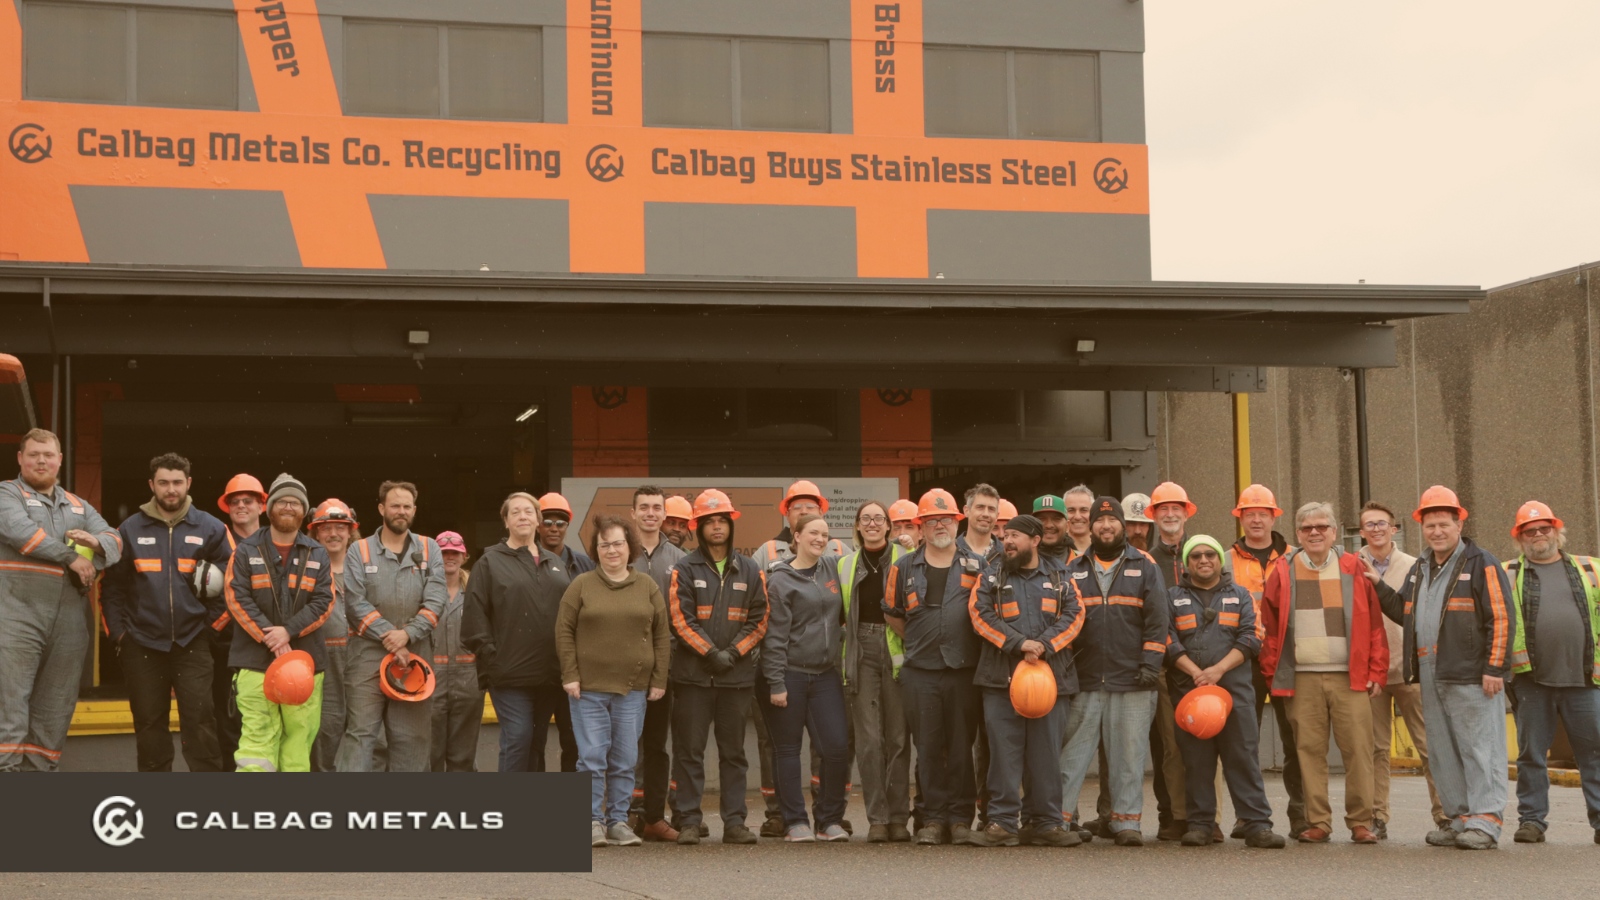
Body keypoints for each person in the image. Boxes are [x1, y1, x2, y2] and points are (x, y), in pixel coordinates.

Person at [1365, 486, 1515, 850]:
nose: (1436, 531)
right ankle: (1459, 818)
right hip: (1431, 671)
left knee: (1480, 748)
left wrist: (1495, 668)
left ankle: (1487, 821)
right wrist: (1376, 583)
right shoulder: (1421, 567)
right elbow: (1404, 609)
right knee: (1444, 749)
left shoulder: (1482, 563)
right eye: (1430, 525)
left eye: (1443, 524)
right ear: (1422, 526)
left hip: (1471, 673)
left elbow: (1502, 617)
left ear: (1458, 523)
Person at [1260, 501, 1387, 845]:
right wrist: (1274, 674)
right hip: (1301, 676)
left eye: (1321, 527)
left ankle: (1361, 822)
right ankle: (1318, 822)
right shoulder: (1283, 571)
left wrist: (1377, 670)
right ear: (1298, 533)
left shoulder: (1352, 567)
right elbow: (1271, 629)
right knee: (1308, 752)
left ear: (1334, 531)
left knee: (1359, 750)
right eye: (1306, 528)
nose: (1314, 533)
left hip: (1350, 676)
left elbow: (1375, 623)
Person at [0, 428, 120, 771]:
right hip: (15, 616)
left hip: (68, 619)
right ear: (20, 459)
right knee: (9, 705)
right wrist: (72, 557)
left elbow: (114, 539)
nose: (41, 460)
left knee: (55, 708)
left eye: (48, 455)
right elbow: (21, 532)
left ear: (60, 460)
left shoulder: (79, 505)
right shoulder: (8, 495)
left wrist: (96, 545)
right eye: (34, 454)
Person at [102, 452, 231, 772]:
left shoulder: (211, 528)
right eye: (163, 483)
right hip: (142, 644)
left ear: (188, 483)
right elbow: (112, 588)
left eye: (177, 482)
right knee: (148, 724)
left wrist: (210, 630)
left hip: (193, 642)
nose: (170, 489)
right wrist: (121, 635)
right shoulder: (129, 529)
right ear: (152, 485)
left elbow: (232, 584)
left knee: (201, 721)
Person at [966, 514, 1083, 847]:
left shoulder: (1062, 576)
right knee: (1003, 753)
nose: (1008, 541)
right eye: (1005, 536)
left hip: (1051, 680)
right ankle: (1002, 823)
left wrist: (1044, 645)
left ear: (1035, 540)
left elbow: (1075, 616)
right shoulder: (990, 576)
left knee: (1045, 754)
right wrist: (1019, 644)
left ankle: (1045, 822)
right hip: (1000, 681)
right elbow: (979, 614)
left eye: (1015, 535)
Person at [1164, 535, 1287, 849]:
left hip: (1235, 693)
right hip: (1190, 692)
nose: (1203, 560)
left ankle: (1257, 825)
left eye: (1210, 555)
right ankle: (1201, 825)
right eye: (1196, 556)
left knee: (1242, 757)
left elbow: (1252, 636)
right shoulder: (1172, 597)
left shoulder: (1241, 595)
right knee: (1197, 761)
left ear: (1220, 560)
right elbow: (1166, 639)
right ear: (1186, 564)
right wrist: (1196, 673)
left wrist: (1217, 671)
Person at [1058, 496, 1168, 846]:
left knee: (1129, 755)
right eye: (1100, 521)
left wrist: (1150, 664)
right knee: (1070, 755)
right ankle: (1057, 819)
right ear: (1089, 527)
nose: (1106, 527)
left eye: (1112, 521)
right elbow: (1063, 623)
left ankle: (1126, 822)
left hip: (1133, 680)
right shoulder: (1073, 569)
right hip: (1085, 679)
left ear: (1122, 525)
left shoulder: (1145, 566)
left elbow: (1157, 621)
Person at [557, 514, 670, 848]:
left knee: (624, 759)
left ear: (629, 546)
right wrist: (570, 675)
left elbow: (662, 636)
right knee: (591, 757)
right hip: (587, 690)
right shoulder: (581, 585)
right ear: (596, 549)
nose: (611, 550)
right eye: (604, 544)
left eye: (618, 543)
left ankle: (618, 822)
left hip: (633, 689)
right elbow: (564, 631)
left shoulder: (647, 586)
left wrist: (658, 678)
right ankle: (592, 821)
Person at [884, 488, 984, 845]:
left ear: (957, 523)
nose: (939, 524)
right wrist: (921, 640)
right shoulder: (903, 567)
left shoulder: (978, 565)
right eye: (931, 520)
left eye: (946, 519)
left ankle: (959, 819)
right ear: (921, 527)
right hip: (920, 672)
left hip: (963, 670)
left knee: (960, 746)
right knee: (927, 747)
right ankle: (931, 819)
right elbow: (892, 614)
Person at [667, 489, 766, 845]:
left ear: (731, 525)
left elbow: (760, 619)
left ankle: (735, 823)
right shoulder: (683, 568)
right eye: (709, 521)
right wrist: (711, 653)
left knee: (734, 753)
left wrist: (734, 653)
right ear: (699, 528)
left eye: (722, 520)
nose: (717, 527)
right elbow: (680, 619)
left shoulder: (751, 568)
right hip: (694, 677)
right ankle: (690, 821)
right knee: (689, 752)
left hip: (735, 678)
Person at [1502, 501, 1600, 845]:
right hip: (1531, 680)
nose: (1538, 535)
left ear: (1557, 531)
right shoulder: (1507, 572)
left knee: (1594, 753)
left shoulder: (1591, 568)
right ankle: (1531, 821)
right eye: (1530, 531)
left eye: (1544, 528)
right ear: (1520, 538)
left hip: (1585, 679)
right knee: (1531, 755)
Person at [224, 473, 334, 772]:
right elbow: (236, 597)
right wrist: (270, 636)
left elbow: (324, 602)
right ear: (269, 507)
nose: (289, 507)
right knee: (257, 743)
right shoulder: (246, 550)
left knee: (298, 743)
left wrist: (287, 631)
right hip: (254, 661)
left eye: (296, 503)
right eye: (282, 501)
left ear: (304, 510)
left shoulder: (317, 552)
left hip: (305, 663)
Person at [338, 481, 448, 772]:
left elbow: (437, 601)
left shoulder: (430, 548)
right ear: (381, 508)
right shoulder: (358, 551)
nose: (401, 511)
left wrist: (407, 636)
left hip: (416, 656)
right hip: (366, 657)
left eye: (407, 506)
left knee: (411, 738)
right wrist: (393, 638)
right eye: (395, 505)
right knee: (361, 735)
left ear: (414, 509)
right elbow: (355, 604)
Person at [462, 493, 574, 774]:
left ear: (538, 519)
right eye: (515, 512)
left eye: (529, 511)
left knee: (536, 742)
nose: (523, 516)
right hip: (509, 675)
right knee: (519, 738)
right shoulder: (489, 562)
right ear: (506, 521)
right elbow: (474, 619)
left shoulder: (555, 563)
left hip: (551, 673)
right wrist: (493, 660)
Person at [1226, 483, 1308, 838]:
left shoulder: (1295, 557)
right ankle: (1248, 814)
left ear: (1274, 516)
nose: (1256, 519)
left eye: (1262, 513)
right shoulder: (1226, 559)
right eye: (1249, 514)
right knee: (1244, 740)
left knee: (1295, 738)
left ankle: (1302, 815)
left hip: (1287, 656)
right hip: (1244, 657)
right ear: (1240, 518)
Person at [1356, 500, 1442, 838]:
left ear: (1394, 529)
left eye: (1382, 524)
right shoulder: (1352, 565)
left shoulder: (1415, 566)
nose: (1376, 529)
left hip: (1410, 669)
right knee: (1375, 749)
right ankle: (1377, 817)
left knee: (1428, 746)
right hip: (1370, 674)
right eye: (1369, 525)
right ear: (1360, 531)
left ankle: (1445, 815)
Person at [762, 513, 850, 842]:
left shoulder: (832, 568)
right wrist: (775, 683)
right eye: (813, 533)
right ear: (796, 537)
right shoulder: (780, 580)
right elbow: (774, 637)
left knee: (837, 747)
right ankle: (794, 821)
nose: (820, 539)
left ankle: (829, 820)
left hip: (826, 674)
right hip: (790, 673)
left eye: (825, 534)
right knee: (787, 750)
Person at [841, 500, 912, 842]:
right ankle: (878, 820)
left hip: (897, 645)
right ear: (857, 525)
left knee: (898, 738)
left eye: (878, 519)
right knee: (869, 741)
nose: (871, 523)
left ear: (888, 526)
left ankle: (899, 818)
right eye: (865, 518)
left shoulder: (906, 559)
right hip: (860, 650)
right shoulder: (843, 564)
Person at [627, 485, 688, 840]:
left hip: (667, 664)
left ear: (664, 515)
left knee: (656, 743)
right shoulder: (621, 552)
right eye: (644, 508)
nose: (650, 513)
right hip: (625, 662)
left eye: (656, 508)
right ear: (633, 513)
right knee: (623, 742)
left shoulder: (680, 559)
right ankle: (624, 814)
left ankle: (652, 814)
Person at [213, 472, 267, 770]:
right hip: (223, 644)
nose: (241, 506)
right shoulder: (215, 539)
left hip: (264, 643)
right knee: (228, 717)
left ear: (262, 506)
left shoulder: (275, 542)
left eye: (248, 500)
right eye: (235, 501)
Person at [306, 498, 358, 772]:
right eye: (326, 528)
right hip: (322, 662)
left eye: (341, 527)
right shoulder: (306, 570)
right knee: (325, 731)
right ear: (315, 532)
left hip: (362, 660)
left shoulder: (364, 571)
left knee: (367, 733)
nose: (334, 533)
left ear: (351, 531)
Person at [430, 531, 483, 771]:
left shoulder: (477, 590)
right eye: (443, 553)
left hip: (468, 678)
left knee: (462, 755)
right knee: (430, 751)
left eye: (455, 553)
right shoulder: (424, 590)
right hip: (430, 679)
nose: (449, 558)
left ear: (464, 557)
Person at [536, 493, 595, 575]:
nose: (554, 529)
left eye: (560, 524)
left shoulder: (586, 565)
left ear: (566, 527)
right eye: (547, 523)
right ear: (538, 527)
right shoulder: (526, 564)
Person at [960, 484, 1003, 565]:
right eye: (980, 507)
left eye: (991, 509)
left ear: (997, 515)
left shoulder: (1007, 556)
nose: (986, 514)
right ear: (966, 511)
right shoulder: (952, 552)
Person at [1033, 494, 1070, 563]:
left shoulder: (1083, 561)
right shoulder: (1021, 561)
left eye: (1056, 519)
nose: (1049, 525)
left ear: (1067, 526)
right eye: (1041, 519)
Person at [1062, 485, 1095, 558]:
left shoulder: (1105, 550)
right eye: (1071, 510)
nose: (1077, 517)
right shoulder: (1056, 552)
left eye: (1084, 510)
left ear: (1093, 512)